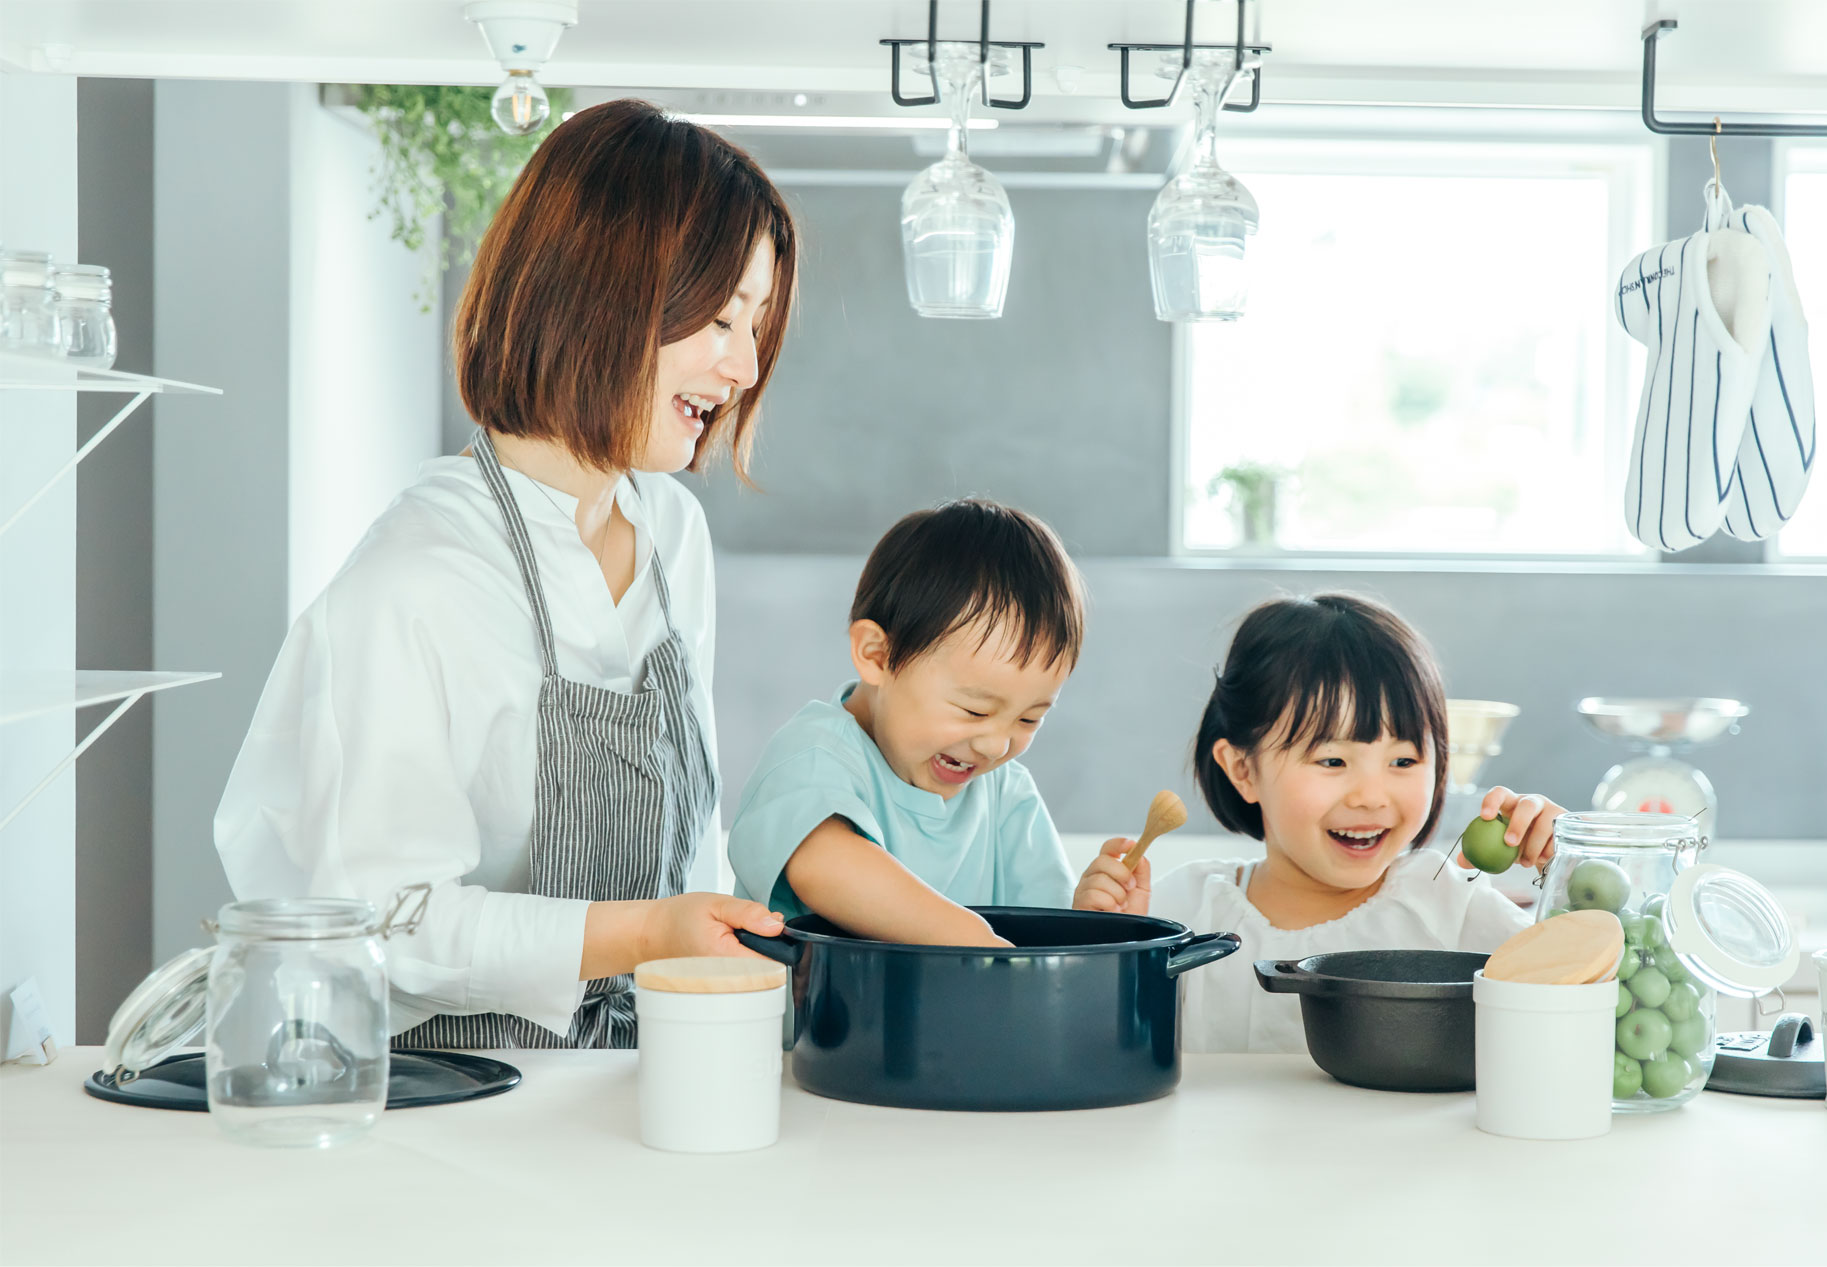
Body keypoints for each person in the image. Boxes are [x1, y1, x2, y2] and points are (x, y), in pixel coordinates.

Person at [213, 100, 798, 1047]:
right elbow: (385, 921)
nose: (742, 367)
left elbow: (696, 847)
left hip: (640, 1069)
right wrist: (646, 931)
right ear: (603, 296)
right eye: (720, 317)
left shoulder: (673, 536)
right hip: (456, 1100)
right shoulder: (418, 578)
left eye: (758, 323)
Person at [1072, 592, 1566, 1053]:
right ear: (1244, 770)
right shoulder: (1180, 911)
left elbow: (1590, 996)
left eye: (1403, 761)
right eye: (1332, 761)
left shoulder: (1450, 906)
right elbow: (1092, 1050)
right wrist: (1104, 949)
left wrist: (1570, 867)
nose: (1371, 797)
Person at [724, 500, 1086, 946]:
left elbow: (1042, 934)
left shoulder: (1007, 794)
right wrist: (969, 940)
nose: (996, 745)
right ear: (877, 656)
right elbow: (824, 868)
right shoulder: (815, 756)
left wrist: (1088, 916)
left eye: (1029, 718)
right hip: (827, 1016)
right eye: (974, 710)